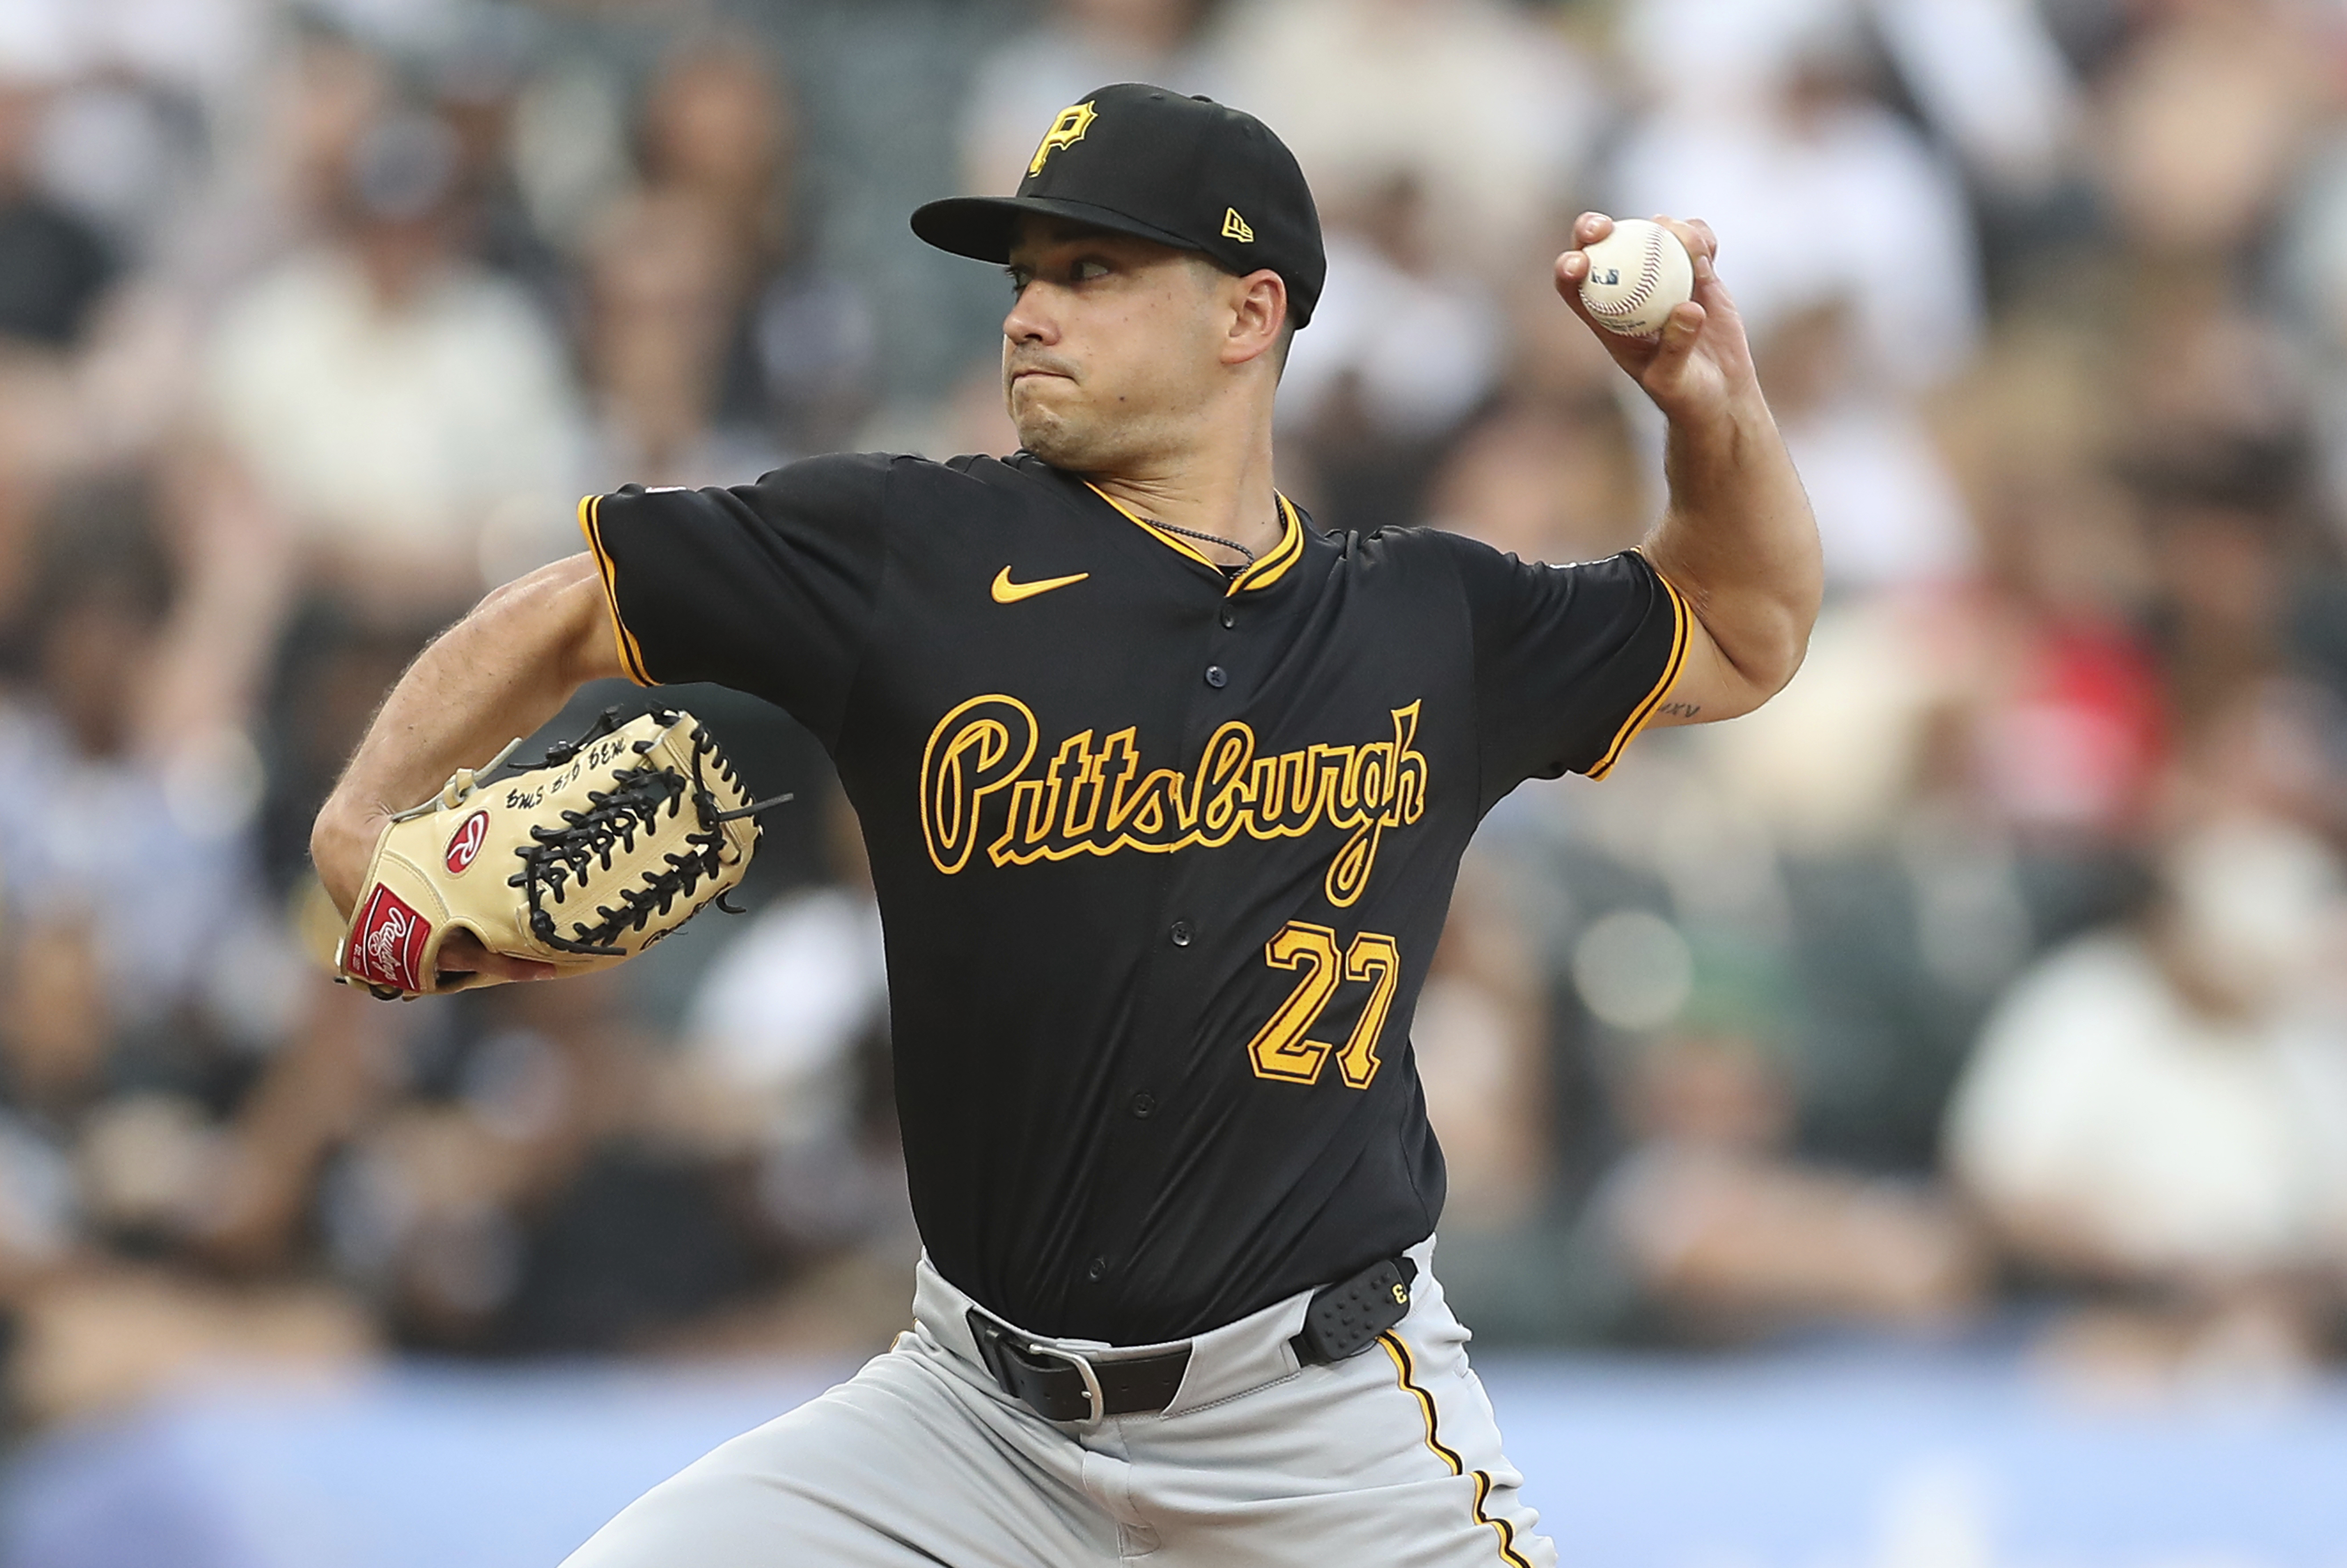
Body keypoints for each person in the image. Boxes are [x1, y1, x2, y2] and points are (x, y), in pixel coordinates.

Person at [310, 84, 1819, 1568]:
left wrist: (1706, 404)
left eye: (1092, 274)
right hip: (968, 1425)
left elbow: (1740, 628)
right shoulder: (913, 549)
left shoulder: (1430, 621)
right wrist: (360, 830)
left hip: (1319, 1438)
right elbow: (580, 601)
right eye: (1024, 278)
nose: (1029, 313)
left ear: (1248, 314)